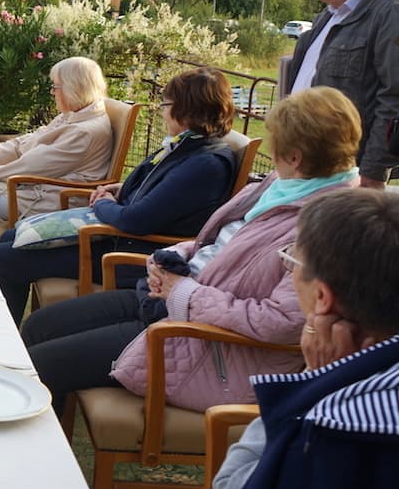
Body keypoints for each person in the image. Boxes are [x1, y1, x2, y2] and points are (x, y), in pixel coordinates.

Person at [21, 87, 361, 417]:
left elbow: (282, 322)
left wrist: (185, 292)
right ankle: (48, 434)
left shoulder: (327, 226)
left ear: (295, 156)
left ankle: (37, 458)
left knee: (41, 367)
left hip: (206, 347)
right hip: (170, 303)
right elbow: (216, 242)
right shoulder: (285, 184)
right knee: (40, 326)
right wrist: (172, 256)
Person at [108, 189, 399, 489]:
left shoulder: (335, 424)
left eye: (291, 259)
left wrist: (314, 382)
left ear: (321, 297)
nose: (288, 268)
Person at [0, 68, 238, 324]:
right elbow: (156, 190)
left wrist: (102, 204)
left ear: (186, 110)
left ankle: (1, 334)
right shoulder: (189, 146)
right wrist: (120, 189)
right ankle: (5, 325)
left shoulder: (204, 164)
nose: (163, 111)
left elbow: (134, 220)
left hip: (125, 253)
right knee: (11, 237)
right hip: (113, 238)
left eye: (166, 104)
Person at [284, 0, 399, 189]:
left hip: (344, 175)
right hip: (304, 166)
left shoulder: (390, 14)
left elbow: (394, 99)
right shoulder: (331, 13)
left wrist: (373, 172)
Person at [0, 56, 115, 225]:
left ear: (73, 88)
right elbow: (26, 142)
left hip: (42, 201)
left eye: (55, 86)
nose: (52, 92)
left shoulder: (83, 132)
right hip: (27, 190)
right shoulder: (76, 115)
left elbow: (29, 170)